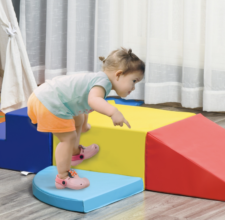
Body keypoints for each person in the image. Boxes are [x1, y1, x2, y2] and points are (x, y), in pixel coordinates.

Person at [27, 47, 145, 190]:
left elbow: (80, 101)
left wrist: (84, 125)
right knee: (67, 138)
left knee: (79, 118)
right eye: (134, 81)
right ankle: (63, 177)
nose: (133, 88)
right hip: (49, 102)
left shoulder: (98, 79)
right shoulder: (104, 83)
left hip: (44, 97)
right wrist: (113, 112)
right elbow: (93, 101)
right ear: (118, 74)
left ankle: (75, 153)